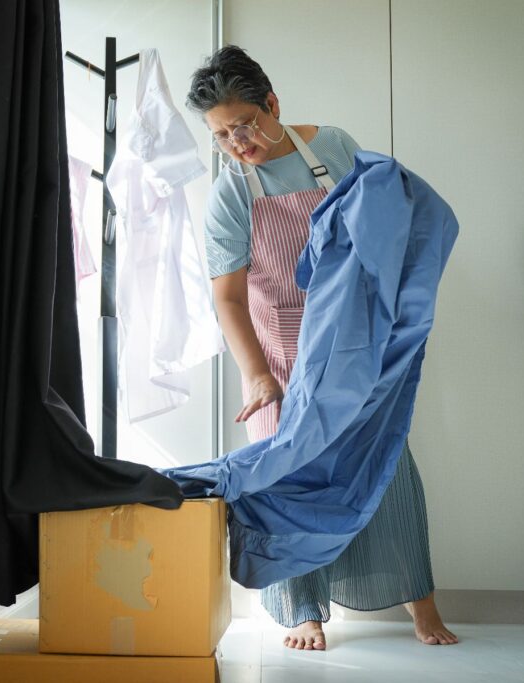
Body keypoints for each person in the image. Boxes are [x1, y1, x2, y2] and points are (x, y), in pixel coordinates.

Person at [186, 45, 459, 650]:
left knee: (384, 467)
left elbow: (382, 226)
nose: (236, 143)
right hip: (281, 357)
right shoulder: (231, 192)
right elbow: (228, 299)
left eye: (244, 125)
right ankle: (302, 612)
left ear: (272, 103)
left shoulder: (332, 147)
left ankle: (421, 604)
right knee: (288, 480)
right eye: (221, 135)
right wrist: (258, 376)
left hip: (356, 342)